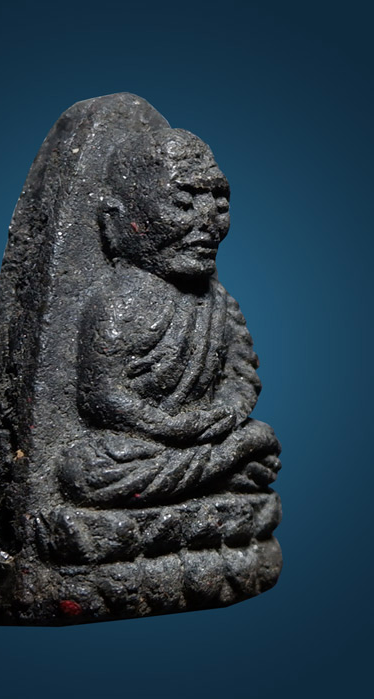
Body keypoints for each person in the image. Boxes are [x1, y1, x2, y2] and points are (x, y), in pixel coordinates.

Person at [57, 128, 280, 507]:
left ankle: (212, 473)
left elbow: (241, 376)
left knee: (262, 443)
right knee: (85, 469)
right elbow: (102, 396)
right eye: (183, 202)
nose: (209, 222)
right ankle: (219, 470)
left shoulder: (219, 301)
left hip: (204, 437)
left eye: (220, 204)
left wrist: (226, 413)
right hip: (144, 444)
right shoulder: (117, 302)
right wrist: (171, 427)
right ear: (115, 220)